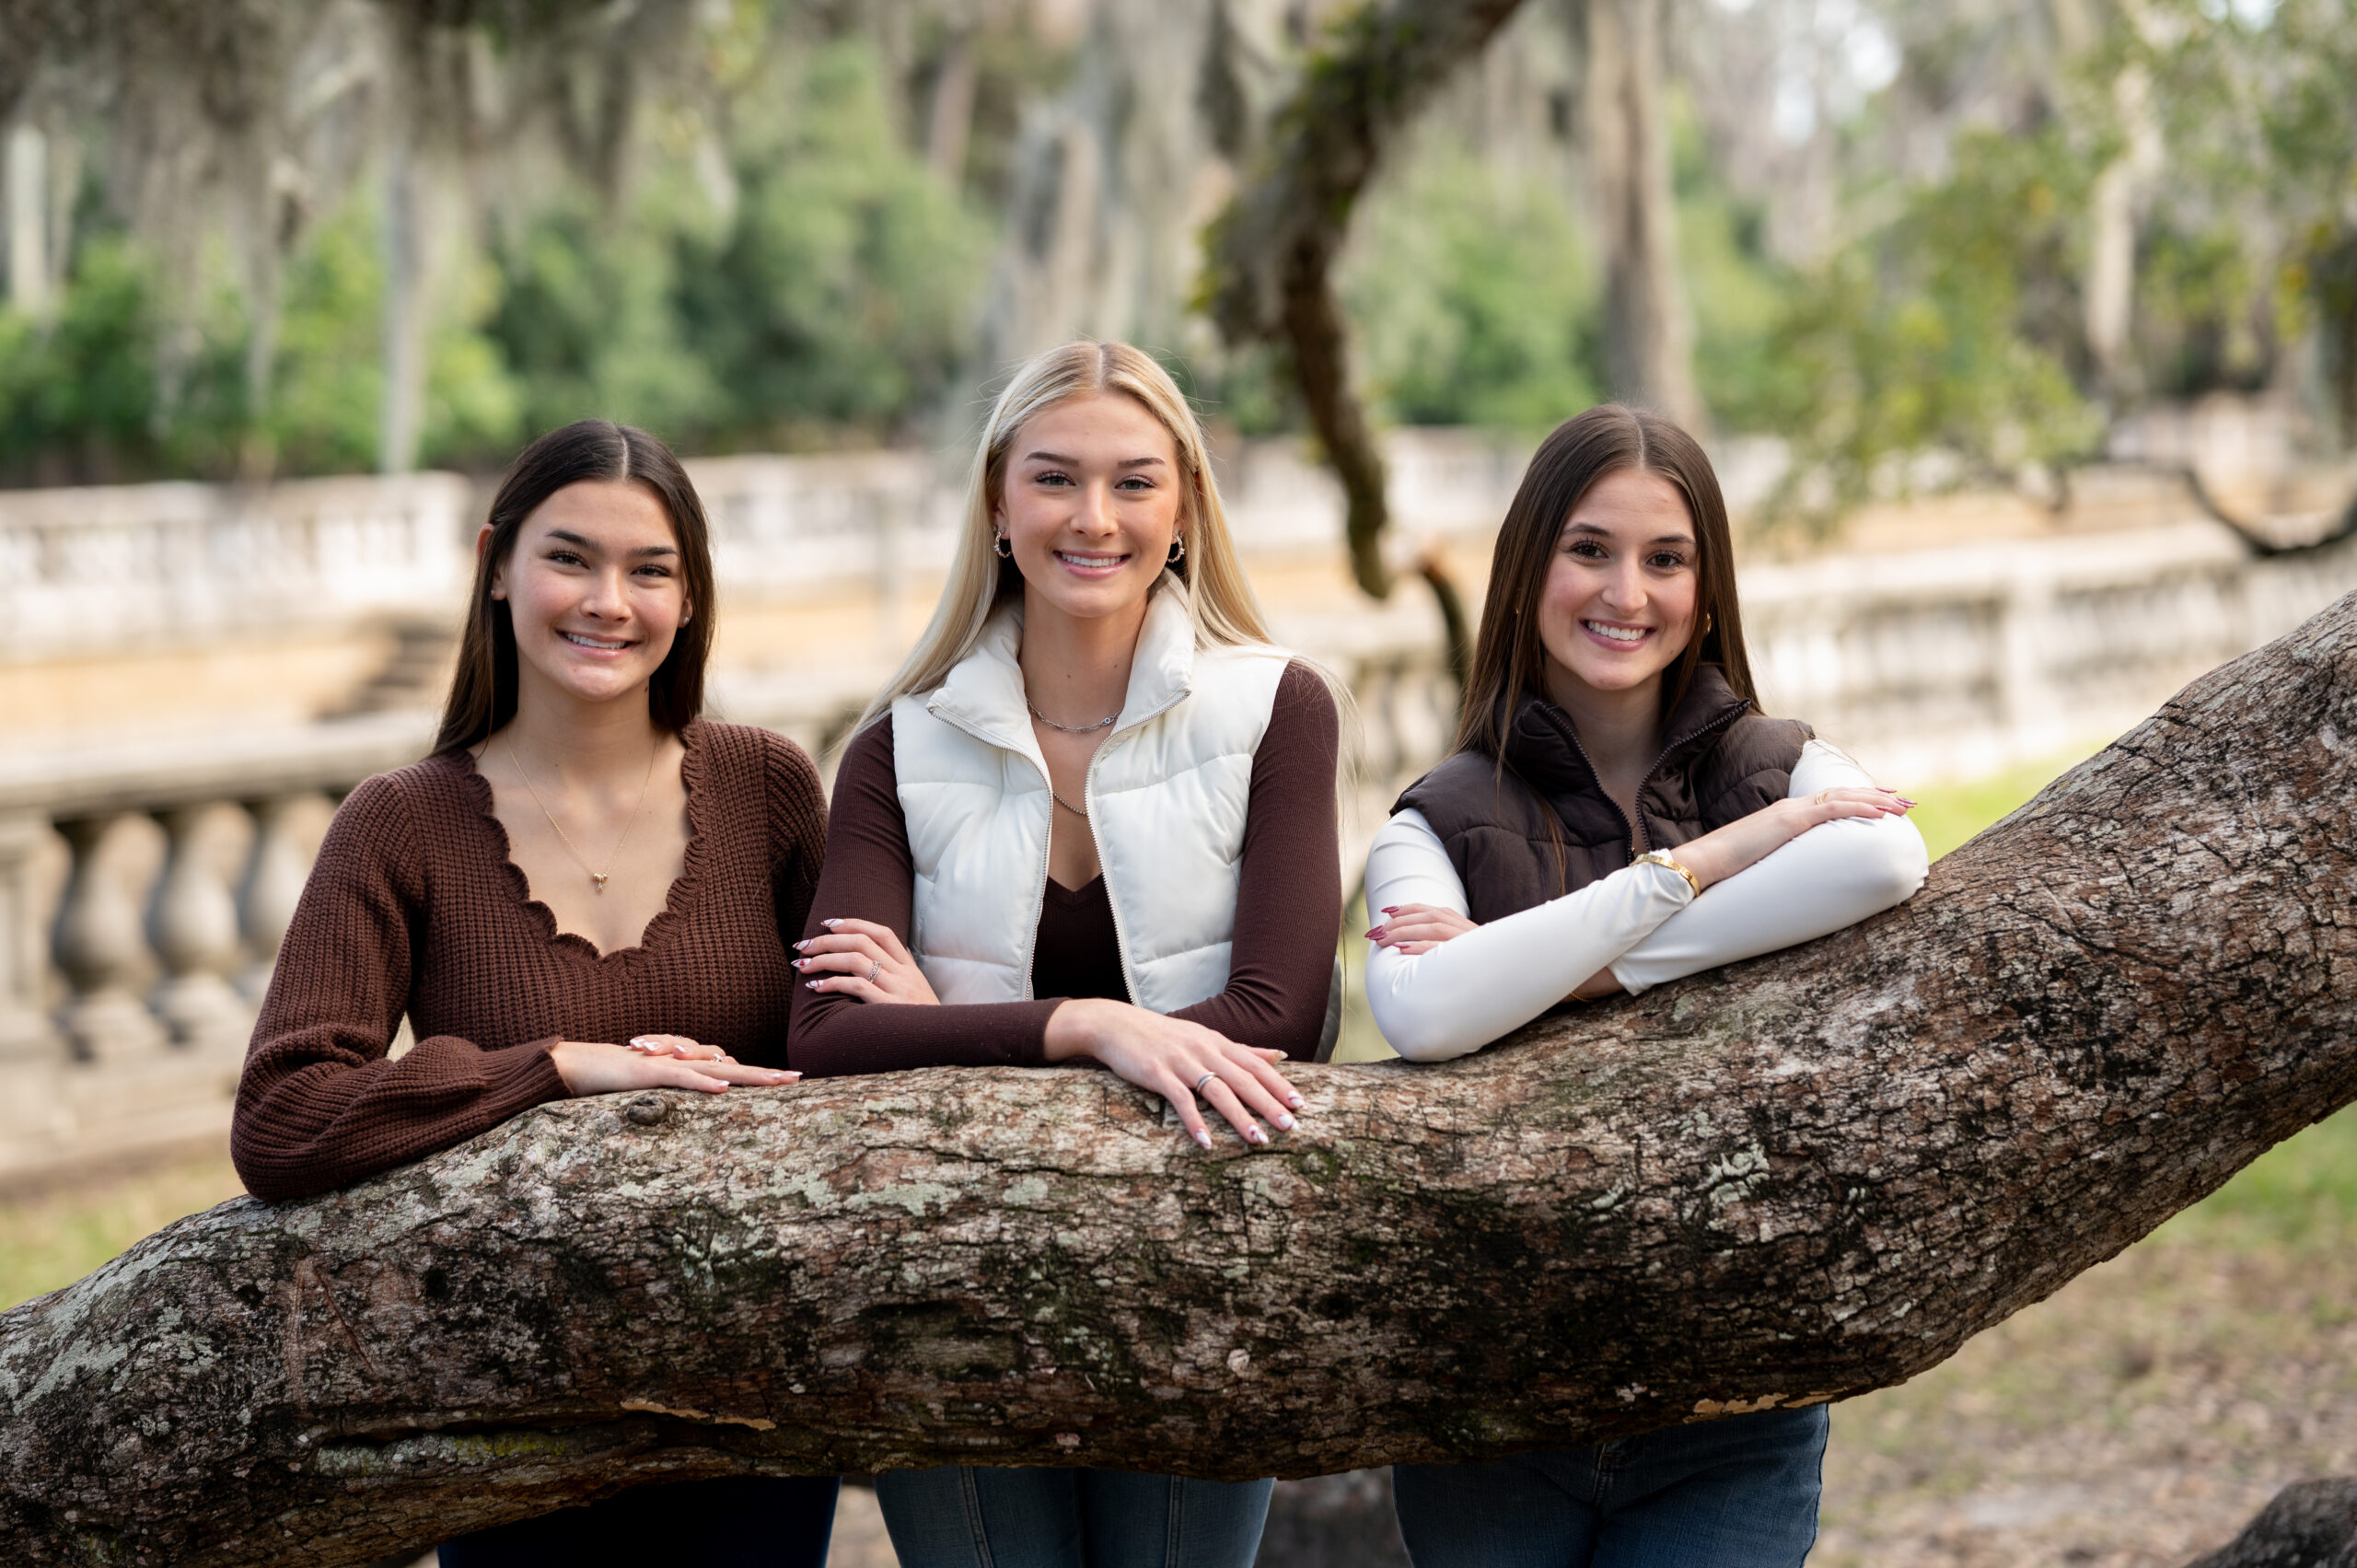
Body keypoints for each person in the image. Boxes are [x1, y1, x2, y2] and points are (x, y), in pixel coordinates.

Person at [229, 419, 839, 1567]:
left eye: (650, 568)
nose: (608, 599)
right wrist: (554, 1068)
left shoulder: (769, 786)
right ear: (495, 565)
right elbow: (282, 1116)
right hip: (508, 1405)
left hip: (753, 1394)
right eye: (570, 557)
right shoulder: (399, 821)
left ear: (691, 599)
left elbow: (844, 1051)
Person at [787, 340, 1342, 1568]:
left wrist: (937, 1024)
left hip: (1200, 1273)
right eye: (1054, 478)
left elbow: (1285, 1007)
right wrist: (1088, 1024)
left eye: (1135, 481)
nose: (1094, 517)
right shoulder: (896, 745)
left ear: (1185, 507)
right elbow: (827, 1037)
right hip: (950, 1293)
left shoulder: (1273, 709)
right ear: (996, 502)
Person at [1363, 403, 1930, 1568]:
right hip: (1491, 1409)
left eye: (1665, 558)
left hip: (1733, 1403)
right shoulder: (1443, 816)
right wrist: (1703, 865)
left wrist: (1556, 973)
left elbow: (1882, 856)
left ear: (1706, 591)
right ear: (1526, 572)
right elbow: (1421, 1009)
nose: (1626, 590)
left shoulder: (1777, 764)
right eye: (1588, 549)